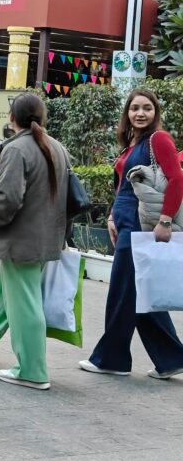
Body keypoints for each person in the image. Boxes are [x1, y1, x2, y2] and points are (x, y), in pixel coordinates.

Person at [0, 93, 71, 390]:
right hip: (44, 238)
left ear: (12, 117)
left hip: (20, 240)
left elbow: (8, 198)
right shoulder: (57, 147)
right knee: (6, 293)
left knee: (24, 302)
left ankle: (32, 370)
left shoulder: (17, 149)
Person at [79, 88, 183, 380]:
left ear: (155, 112)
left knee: (123, 292)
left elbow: (176, 179)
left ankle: (111, 358)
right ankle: (171, 358)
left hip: (141, 224)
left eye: (147, 108)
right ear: (127, 112)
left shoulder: (158, 139)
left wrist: (164, 221)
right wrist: (112, 215)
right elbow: (124, 187)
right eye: (135, 108)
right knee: (138, 292)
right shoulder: (132, 143)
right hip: (125, 221)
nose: (140, 113)